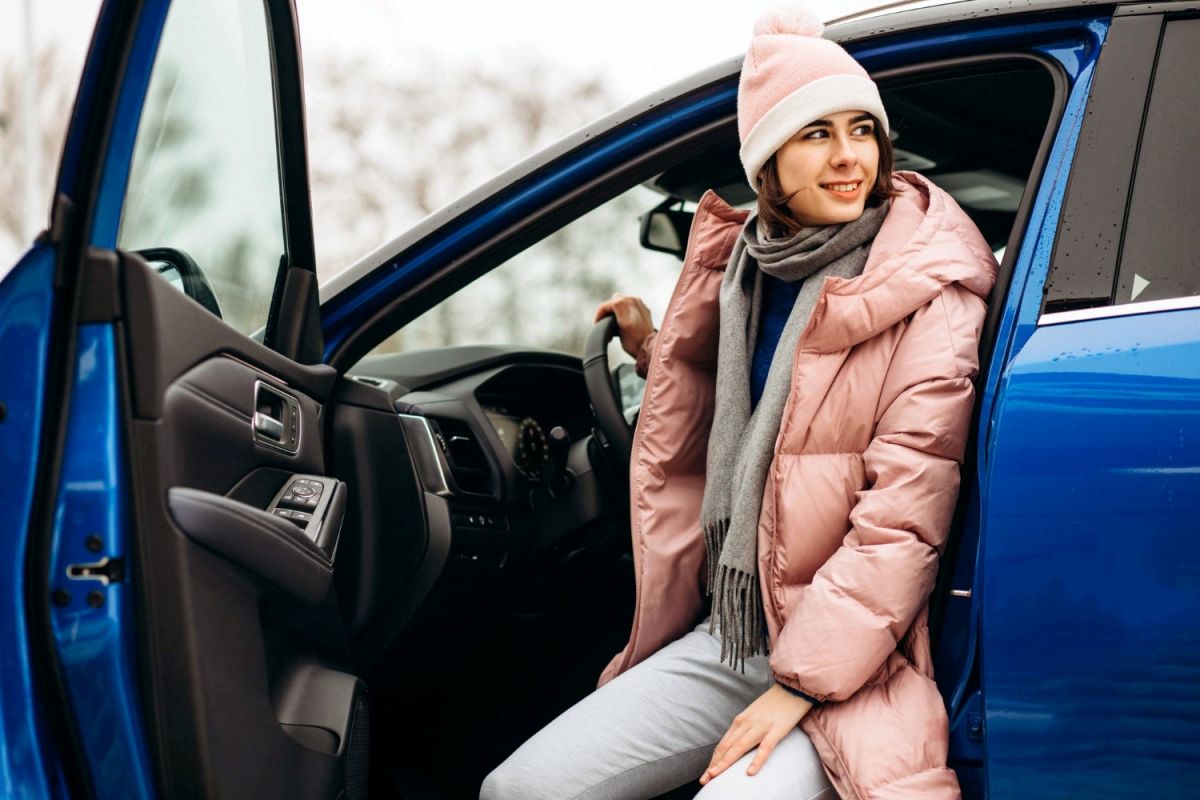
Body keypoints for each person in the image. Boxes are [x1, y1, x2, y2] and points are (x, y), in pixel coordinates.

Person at [480, 5, 997, 799]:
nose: (849, 156)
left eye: (862, 129)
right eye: (816, 134)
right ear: (767, 164)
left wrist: (798, 685)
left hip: (856, 656)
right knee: (521, 789)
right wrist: (658, 352)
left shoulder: (931, 291)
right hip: (737, 630)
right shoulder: (749, 274)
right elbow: (765, 417)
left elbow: (903, 517)